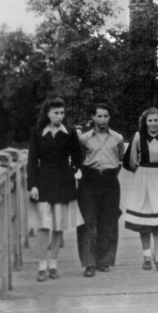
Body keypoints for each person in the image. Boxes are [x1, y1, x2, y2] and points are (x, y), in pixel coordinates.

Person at [27, 98, 82, 282]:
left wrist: (74, 170)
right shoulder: (37, 133)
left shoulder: (70, 133)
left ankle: (53, 264)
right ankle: (42, 265)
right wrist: (32, 185)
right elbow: (32, 161)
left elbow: (78, 157)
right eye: (56, 113)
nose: (59, 116)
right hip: (43, 182)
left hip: (63, 182)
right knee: (43, 226)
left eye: (62, 113)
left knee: (58, 226)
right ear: (48, 113)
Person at [123, 108, 158, 272]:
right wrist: (142, 173)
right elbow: (130, 161)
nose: (153, 124)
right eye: (150, 120)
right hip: (143, 179)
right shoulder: (138, 137)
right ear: (144, 122)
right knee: (144, 220)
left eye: (156, 120)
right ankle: (147, 255)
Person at [77, 103, 125, 278]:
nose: (103, 119)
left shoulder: (118, 138)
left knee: (109, 221)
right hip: (89, 181)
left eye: (106, 116)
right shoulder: (83, 139)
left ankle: (104, 261)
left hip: (110, 182)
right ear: (93, 117)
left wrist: (109, 175)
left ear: (109, 118)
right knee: (88, 222)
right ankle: (89, 263)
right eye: (99, 116)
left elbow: (120, 160)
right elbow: (80, 159)